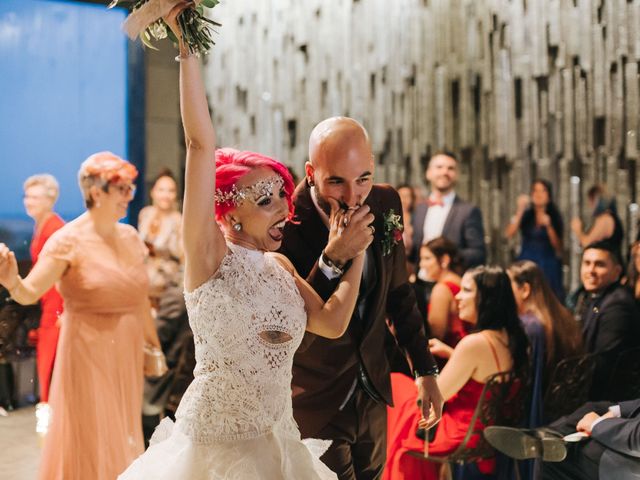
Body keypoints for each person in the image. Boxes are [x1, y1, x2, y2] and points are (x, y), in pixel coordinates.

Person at [119, 8, 371, 479]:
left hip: (280, 444)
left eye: (282, 195)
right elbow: (198, 143)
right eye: (265, 200)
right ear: (229, 212)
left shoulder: (280, 267)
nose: (283, 208)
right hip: (215, 451)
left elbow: (334, 324)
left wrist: (353, 251)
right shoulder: (209, 256)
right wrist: (186, 43)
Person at [279, 116, 443, 479]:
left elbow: (400, 293)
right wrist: (333, 258)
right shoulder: (284, 221)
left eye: (362, 179)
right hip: (313, 397)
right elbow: (292, 325)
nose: (353, 197)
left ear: (372, 166)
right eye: (336, 181)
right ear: (311, 172)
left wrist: (425, 369)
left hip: (371, 392)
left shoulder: (386, 201)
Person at [0, 152, 162, 480]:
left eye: (130, 188)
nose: (130, 196)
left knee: (122, 429)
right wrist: (11, 281)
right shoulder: (67, 241)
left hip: (126, 351)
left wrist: (152, 346)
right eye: (122, 189)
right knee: (91, 432)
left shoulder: (130, 237)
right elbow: (29, 293)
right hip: (88, 350)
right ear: (96, 192)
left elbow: (139, 299)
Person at [384, 266, 530, 479]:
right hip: (486, 427)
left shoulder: (474, 343)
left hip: (460, 432)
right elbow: (485, 372)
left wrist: (414, 363)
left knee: (395, 383)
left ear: (486, 298)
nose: (458, 297)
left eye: (467, 290)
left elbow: (433, 396)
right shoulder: (510, 336)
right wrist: (453, 354)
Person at [485, 399, 640, 480]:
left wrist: (597, 424)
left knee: (551, 460)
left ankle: (546, 441)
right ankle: (548, 436)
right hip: (633, 426)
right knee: (593, 407)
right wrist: (617, 411)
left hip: (631, 463)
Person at [22, 174, 65, 432]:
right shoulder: (42, 226)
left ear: (50, 199)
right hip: (47, 302)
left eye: (35, 197)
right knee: (47, 361)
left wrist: (65, 309)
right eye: (27, 196)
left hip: (57, 304)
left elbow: (65, 272)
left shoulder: (54, 228)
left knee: (51, 362)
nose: (29, 201)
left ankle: (52, 418)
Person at [571, 241, 640, 400]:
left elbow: (603, 364)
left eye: (599, 264)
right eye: (587, 263)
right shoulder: (589, 296)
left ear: (617, 272)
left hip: (608, 400)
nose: (591, 270)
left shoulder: (617, 305)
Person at [411, 151, 486, 269]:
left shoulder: (469, 211)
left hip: (451, 282)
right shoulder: (419, 209)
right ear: (428, 173)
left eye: (450, 168)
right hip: (419, 282)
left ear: (457, 175)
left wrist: (448, 257)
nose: (445, 172)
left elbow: (478, 254)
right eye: (439, 167)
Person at [505, 180, 565, 299]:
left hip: (547, 264)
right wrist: (520, 210)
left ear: (549, 195)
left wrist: (549, 227)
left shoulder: (555, 216)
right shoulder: (526, 215)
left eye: (542, 190)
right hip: (526, 261)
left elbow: (559, 247)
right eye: (535, 190)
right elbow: (508, 233)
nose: (538, 194)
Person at [138, 168, 184, 307]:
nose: (166, 195)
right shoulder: (145, 214)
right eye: (161, 190)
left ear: (176, 195)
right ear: (153, 192)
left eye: (171, 191)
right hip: (142, 285)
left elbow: (183, 258)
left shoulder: (178, 220)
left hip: (165, 289)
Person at [419, 237, 465, 347]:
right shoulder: (460, 280)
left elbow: (436, 333)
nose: (422, 265)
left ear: (444, 260)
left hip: (448, 352)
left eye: (427, 258)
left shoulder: (442, 289)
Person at [571, 184, 624, 254]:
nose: (589, 205)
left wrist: (578, 230)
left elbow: (587, 244)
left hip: (607, 262)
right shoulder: (608, 217)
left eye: (591, 200)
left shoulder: (605, 219)